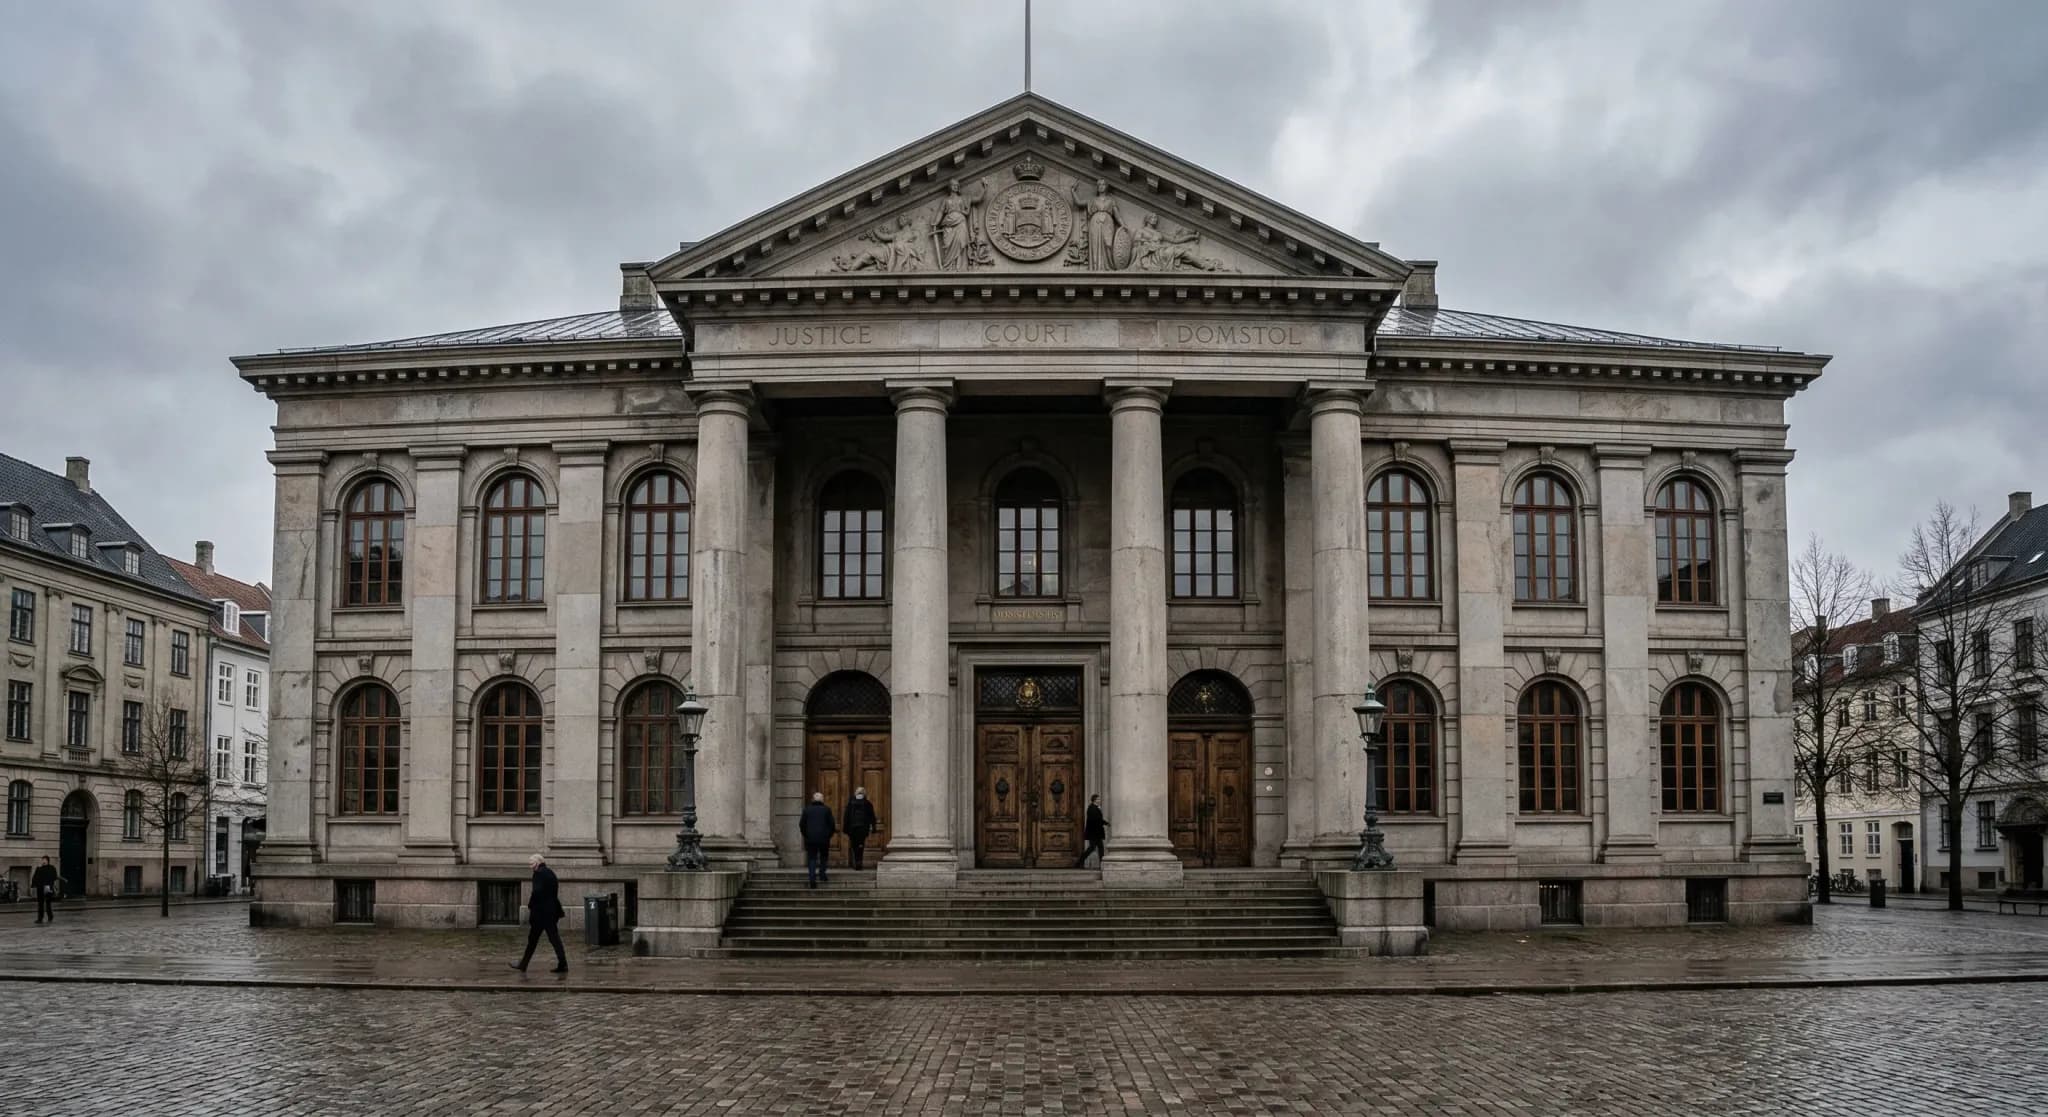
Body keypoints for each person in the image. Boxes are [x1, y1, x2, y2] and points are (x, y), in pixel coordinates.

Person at [511, 853, 568, 974]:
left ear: (537, 863)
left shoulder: (538, 874)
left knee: (533, 940)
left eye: (531, 864)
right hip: (551, 911)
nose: (530, 866)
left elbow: (536, 892)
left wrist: (531, 905)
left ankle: (523, 964)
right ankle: (563, 963)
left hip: (541, 913)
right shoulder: (550, 873)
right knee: (554, 939)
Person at [799, 792, 836, 888]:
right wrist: (828, 835)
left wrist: (806, 835)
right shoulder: (827, 810)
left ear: (813, 799)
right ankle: (822, 875)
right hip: (824, 838)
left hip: (811, 838)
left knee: (812, 858)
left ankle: (812, 879)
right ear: (822, 800)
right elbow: (832, 825)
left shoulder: (807, 810)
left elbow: (802, 825)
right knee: (824, 856)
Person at [843, 787, 879, 871]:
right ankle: (859, 862)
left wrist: (845, 828)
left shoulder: (850, 803)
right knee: (860, 845)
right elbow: (872, 817)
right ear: (864, 793)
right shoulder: (867, 803)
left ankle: (856, 861)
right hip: (863, 828)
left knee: (854, 845)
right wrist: (874, 827)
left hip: (852, 828)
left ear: (856, 793)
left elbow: (846, 817)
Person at [1075, 794, 1108, 869]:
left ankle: (1080, 862)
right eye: (1098, 799)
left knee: (1097, 848)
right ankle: (1079, 862)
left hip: (1095, 832)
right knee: (1094, 848)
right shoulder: (1092, 808)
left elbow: (1098, 819)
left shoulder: (1095, 808)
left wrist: (1106, 823)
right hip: (1094, 833)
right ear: (1095, 800)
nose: (1099, 800)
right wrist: (1104, 822)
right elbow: (1095, 820)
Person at [31, 857, 58, 924]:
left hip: (48, 887)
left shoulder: (51, 868)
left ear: (47, 861)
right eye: (42, 860)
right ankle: (40, 919)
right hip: (40, 888)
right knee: (40, 904)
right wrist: (34, 885)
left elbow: (54, 877)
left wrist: (49, 885)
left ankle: (50, 917)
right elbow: (35, 877)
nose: (43, 861)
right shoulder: (39, 868)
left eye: (44, 860)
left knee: (48, 903)